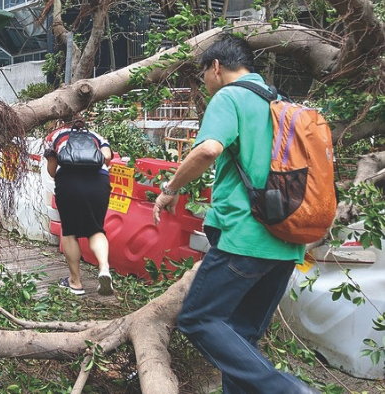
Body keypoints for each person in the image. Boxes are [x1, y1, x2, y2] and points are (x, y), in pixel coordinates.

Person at [152, 35, 320, 394]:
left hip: (246, 236)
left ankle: (290, 390)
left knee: (198, 318)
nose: (206, 84)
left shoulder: (230, 96)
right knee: (241, 339)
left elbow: (209, 149)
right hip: (288, 242)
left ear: (215, 67)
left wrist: (170, 190)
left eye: (204, 76)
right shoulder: (281, 103)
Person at [44, 118, 114, 296]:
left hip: (69, 180)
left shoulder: (56, 136)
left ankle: (75, 282)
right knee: (96, 229)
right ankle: (104, 268)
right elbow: (107, 158)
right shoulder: (96, 136)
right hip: (99, 181)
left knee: (69, 232)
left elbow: (52, 171)